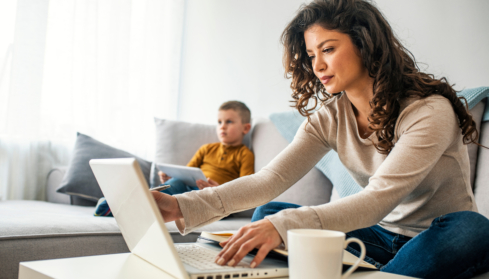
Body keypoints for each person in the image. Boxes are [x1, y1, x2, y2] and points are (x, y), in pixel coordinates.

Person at [151, 0, 489, 278]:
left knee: (471, 229)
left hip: (438, 235)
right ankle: (385, 271)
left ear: (365, 43)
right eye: (312, 55)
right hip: (377, 236)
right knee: (271, 211)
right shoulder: (329, 117)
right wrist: (182, 205)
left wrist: (284, 225)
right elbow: (270, 180)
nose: (318, 65)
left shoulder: (429, 111)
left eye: (328, 49)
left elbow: (378, 199)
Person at [159, 100, 255, 195]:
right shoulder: (207, 148)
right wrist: (170, 177)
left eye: (229, 121)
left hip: (214, 195)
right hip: (188, 186)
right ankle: (154, 198)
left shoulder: (245, 154)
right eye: (219, 122)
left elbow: (245, 188)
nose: (222, 126)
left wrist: (219, 190)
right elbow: (187, 172)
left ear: (246, 128)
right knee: (175, 182)